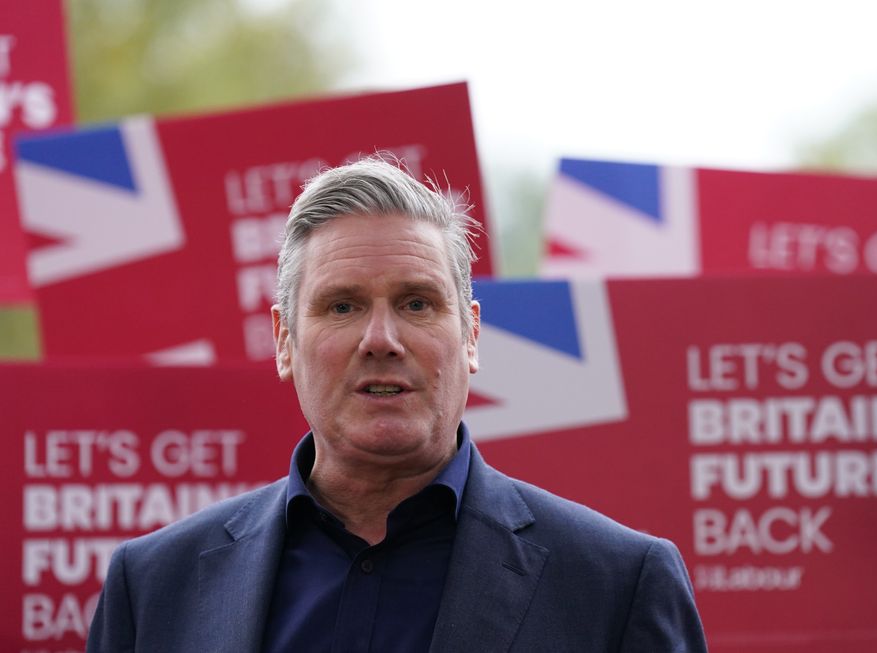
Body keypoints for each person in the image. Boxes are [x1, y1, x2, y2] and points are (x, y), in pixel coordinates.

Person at [87, 157, 708, 652]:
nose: (380, 340)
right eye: (342, 306)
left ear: (469, 334)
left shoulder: (617, 583)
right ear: (284, 342)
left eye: (416, 303)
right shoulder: (154, 585)